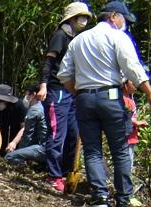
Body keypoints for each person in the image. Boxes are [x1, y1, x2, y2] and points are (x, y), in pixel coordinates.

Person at [58, 0, 151, 207]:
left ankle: (100, 198)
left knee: (92, 149)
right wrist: (150, 94)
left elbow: (64, 75)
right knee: (120, 149)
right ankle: (123, 200)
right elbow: (133, 68)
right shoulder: (117, 36)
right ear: (114, 16)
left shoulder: (79, 40)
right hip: (111, 96)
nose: (125, 24)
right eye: (124, 19)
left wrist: (80, 93)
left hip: (84, 98)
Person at [36, 2, 94, 193]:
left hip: (71, 91)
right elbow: (49, 62)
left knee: (73, 133)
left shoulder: (77, 38)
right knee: (56, 134)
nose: (84, 20)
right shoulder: (61, 35)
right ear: (72, 18)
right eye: (81, 17)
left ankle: (67, 172)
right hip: (56, 90)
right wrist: (43, 85)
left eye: (86, 17)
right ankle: (53, 176)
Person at [5, 88, 50, 167]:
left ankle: (24, 165)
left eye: (27, 95)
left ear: (33, 95)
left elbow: (27, 135)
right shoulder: (44, 106)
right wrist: (14, 142)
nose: (25, 97)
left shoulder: (34, 110)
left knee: (10, 157)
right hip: (49, 146)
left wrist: (21, 152)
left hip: (43, 148)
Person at [0, 83, 28, 154]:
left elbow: (23, 128)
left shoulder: (19, 106)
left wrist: (14, 142)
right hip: (3, 131)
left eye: (1, 100)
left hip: (18, 133)